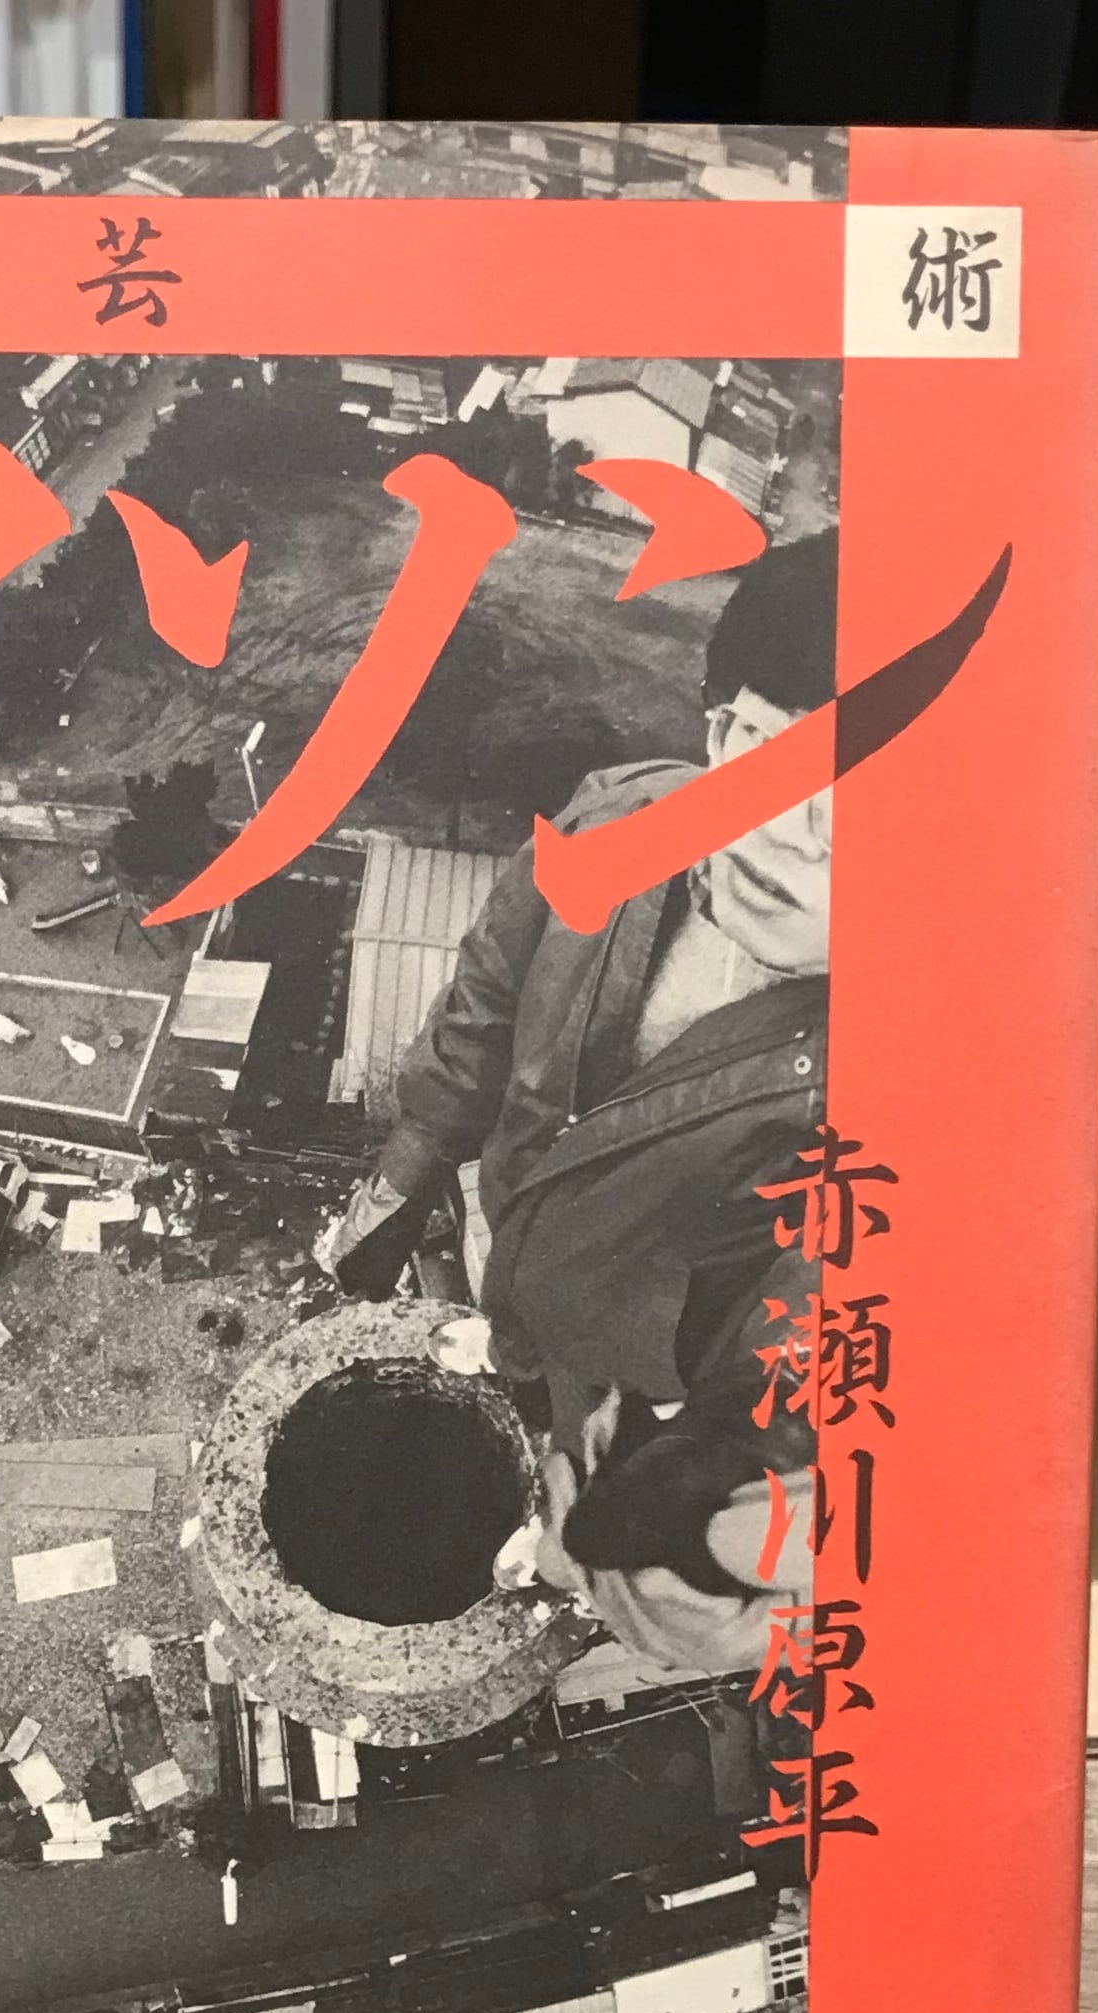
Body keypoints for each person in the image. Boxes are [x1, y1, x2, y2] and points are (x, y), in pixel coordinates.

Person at [315, 524, 838, 1677]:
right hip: (521, 1272)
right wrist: (409, 1164)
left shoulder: (905, 1101)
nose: (779, 833)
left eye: (856, 804)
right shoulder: (615, 822)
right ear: (717, 729)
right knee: (512, 1355)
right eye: (765, 750)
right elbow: (488, 1000)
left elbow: (815, 1353)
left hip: (628, 1390)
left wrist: (710, 1498)